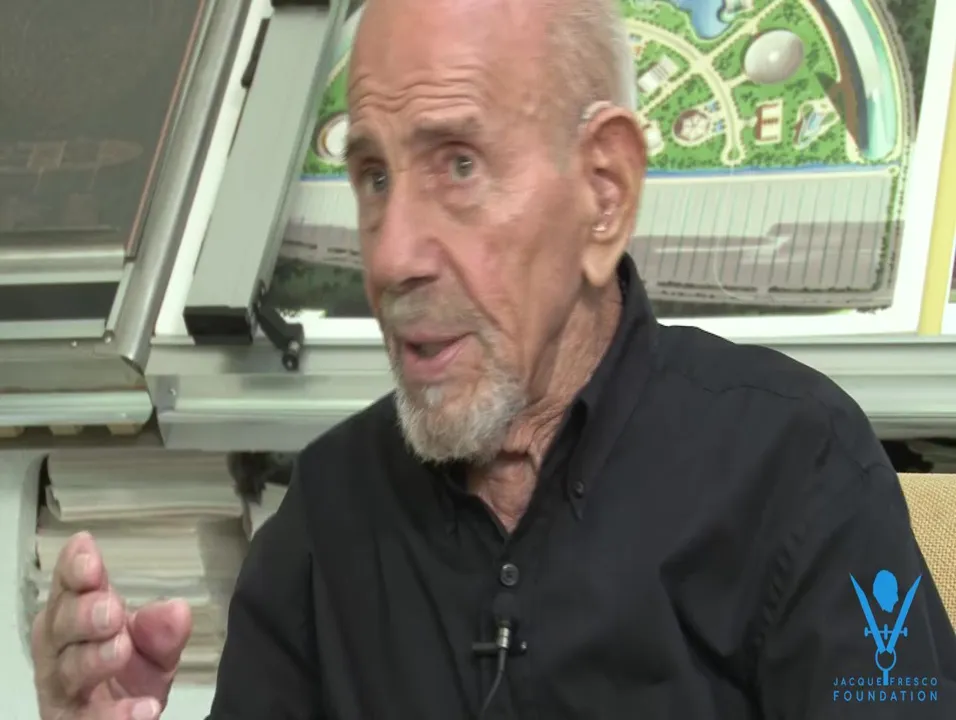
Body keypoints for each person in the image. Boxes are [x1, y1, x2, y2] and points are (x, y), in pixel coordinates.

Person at [31, 0, 956, 717]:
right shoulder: (324, 521)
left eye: (459, 165)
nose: (392, 256)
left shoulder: (796, 468)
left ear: (604, 191)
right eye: (373, 177)